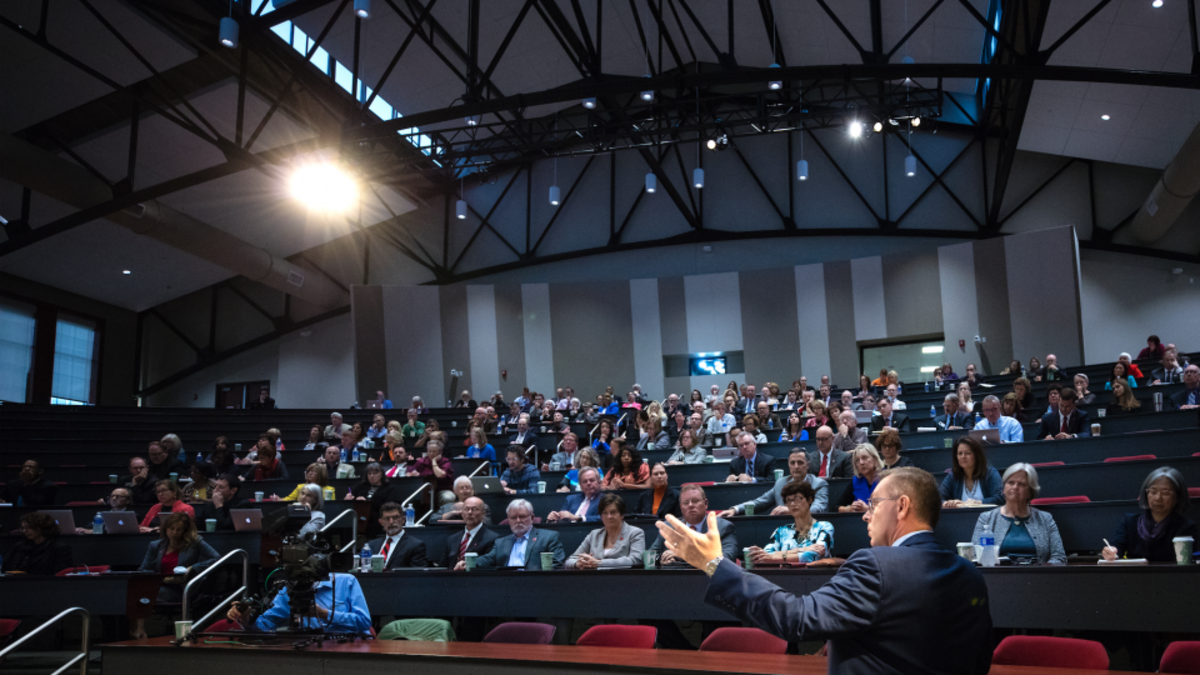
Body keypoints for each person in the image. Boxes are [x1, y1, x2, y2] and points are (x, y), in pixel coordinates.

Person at [657, 467, 992, 675]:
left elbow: (798, 619)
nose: (866, 515)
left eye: (874, 505)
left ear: (902, 506)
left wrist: (713, 564)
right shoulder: (970, 574)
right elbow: (980, 659)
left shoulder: (874, 564)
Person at [131, 512, 220, 638]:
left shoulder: (194, 543)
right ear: (165, 529)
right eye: (171, 529)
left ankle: (140, 629)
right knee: (138, 590)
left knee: (145, 595)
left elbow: (216, 558)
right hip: (161, 584)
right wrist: (155, 578)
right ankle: (139, 630)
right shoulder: (156, 545)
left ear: (185, 531)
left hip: (182, 587)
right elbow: (144, 569)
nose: (174, 532)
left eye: (179, 529)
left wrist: (192, 568)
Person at [972, 463, 1066, 564]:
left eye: (1021, 484)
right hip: (1000, 576)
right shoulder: (986, 518)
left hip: (1038, 576)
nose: (1015, 487)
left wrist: (1043, 572)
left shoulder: (1045, 519)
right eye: (1011, 482)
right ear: (1003, 488)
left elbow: (1059, 556)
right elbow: (975, 555)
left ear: (1031, 491)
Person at [224, 573, 371, 633]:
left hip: (349, 649)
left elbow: (364, 622)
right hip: (309, 652)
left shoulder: (346, 581)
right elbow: (265, 625)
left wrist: (325, 614)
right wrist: (246, 619)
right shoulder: (287, 589)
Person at [1102, 467, 1196, 562]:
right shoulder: (1130, 522)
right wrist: (1111, 552)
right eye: (1153, 491)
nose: (1157, 498)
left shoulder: (1187, 527)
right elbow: (1118, 547)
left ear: (1178, 497)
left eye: (1165, 493)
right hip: (1134, 575)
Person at [459, 500, 565, 570]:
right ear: (508, 520)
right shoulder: (501, 542)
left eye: (522, 516)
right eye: (513, 517)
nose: (518, 521)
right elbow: (488, 559)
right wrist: (468, 563)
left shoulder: (548, 537)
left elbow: (557, 564)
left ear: (532, 518)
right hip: (506, 586)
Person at [648, 484, 739, 565]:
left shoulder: (722, 527)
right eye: (686, 503)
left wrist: (685, 556)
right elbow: (649, 557)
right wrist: (661, 559)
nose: (690, 505)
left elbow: (726, 561)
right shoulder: (669, 527)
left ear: (705, 504)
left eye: (695, 501)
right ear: (681, 507)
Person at [721, 449, 829, 516]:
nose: (796, 466)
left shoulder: (818, 484)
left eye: (800, 463)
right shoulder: (781, 483)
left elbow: (818, 509)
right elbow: (760, 502)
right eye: (792, 463)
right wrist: (735, 509)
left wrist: (791, 510)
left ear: (808, 465)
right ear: (788, 465)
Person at [747, 482, 835, 564]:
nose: (792, 504)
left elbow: (811, 556)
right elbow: (766, 553)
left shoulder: (824, 527)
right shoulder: (781, 531)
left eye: (797, 498)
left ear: (810, 500)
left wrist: (775, 557)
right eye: (789, 500)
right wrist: (805, 548)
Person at [565, 494, 646, 569]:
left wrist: (600, 563)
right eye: (605, 513)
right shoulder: (594, 534)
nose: (609, 516)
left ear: (622, 515)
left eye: (613, 512)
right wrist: (578, 563)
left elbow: (636, 560)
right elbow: (570, 560)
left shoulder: (635, 533)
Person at [939, 437, 1003, 507]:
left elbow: (1000, 498)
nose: (963, 457)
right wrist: (949, 503)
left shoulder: (990, 473)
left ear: (976, 455)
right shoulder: (953, 476)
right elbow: (938, 499)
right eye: (960, 453)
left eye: (967, 453)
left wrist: (978, 503)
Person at [1, 513, 72, 575]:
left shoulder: (59, 549)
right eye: (22, 528)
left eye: (29, 527)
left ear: (42, 528)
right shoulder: (19, 546)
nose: (24, 531)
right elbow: (5, 568)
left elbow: (59, 575)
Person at [366, 502, 429, 569]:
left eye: (395, 517)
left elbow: (418, 576)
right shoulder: (371, 545)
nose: (391, 522)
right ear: (381, 522)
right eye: (387, 518)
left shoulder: (415, 545)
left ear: (403, 520)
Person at [442, 497, 499, 568]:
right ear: (462, 513)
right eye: (466, 509)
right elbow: (443, 566)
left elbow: (489, 565)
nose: (469, 512)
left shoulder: (492, 538)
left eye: (474, 509)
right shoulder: (452, 539)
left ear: (483, 513)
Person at [837, 444, 884, 513]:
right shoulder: (856, 481)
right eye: (857, 460)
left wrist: (869, 508)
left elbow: (892, 509)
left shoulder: (887, 479)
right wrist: (849, 508)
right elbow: (836, 507)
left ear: (875, 459)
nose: (861, 463)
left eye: (864, 458)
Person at [413, 439, 455, 506]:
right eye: (429, 451)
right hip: (423, 491)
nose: (431, 454)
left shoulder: (446, 462)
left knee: (447, 498)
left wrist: (434, 462)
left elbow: (440, 475)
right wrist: (414, 474)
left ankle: (446, 516)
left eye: (434, 451)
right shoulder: (421, 461)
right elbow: (410, 473)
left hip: (442, 490)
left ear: (440, 452)